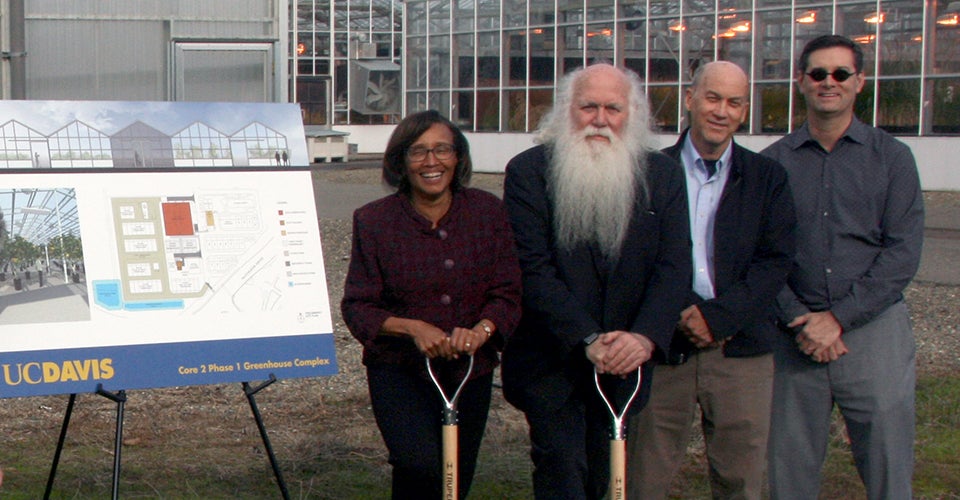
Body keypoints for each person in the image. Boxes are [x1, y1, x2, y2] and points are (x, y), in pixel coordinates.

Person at [501, 63, 692, 499]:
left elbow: (674, 266)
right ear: (567, 110)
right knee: (563, 472)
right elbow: (531, 267)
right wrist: (587, 337)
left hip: (627, 360)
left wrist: (644, 338)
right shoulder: (529, 172)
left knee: (604, 476)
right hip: (553, 360)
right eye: (588, 106)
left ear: (633, 114)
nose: (600, 119)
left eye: (613, 108)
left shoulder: (661, 176)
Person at [761, 35, 924, 500]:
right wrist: (801, 319)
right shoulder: (772, 165)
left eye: (840, 74)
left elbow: (901, 253)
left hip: (873, 334)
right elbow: (762, 255)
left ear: (859, 82)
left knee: (888, 471)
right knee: (788, 473)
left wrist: (837, 320)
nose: (828, 83)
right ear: (800, 82)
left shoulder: (892, 159)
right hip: (794, 339)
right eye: (817, 74)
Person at [626, 61, 796, 499]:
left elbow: (775, 261)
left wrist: (717, 318)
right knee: (643, 477)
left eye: (734, 102)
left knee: (742, 479)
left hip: (740, 349)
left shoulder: (767, 178)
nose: (722, 110)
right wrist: (680, 313)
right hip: (664, 347)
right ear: (690, 99)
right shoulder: (648, 172)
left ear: (744, 110)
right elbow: (638, 258)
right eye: (713, 97)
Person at [340, 110, 522, 499]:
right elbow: (358, 306)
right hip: (400, 373)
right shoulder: (374, 221)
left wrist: (483, 330)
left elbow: (508, 291)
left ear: (458, 157)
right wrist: (412, 328)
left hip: (469, 371)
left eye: (442, 149)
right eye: (418, 152)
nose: (431, 161)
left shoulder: (488, 213)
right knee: (418, 465)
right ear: (401, 162)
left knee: (456, 476)